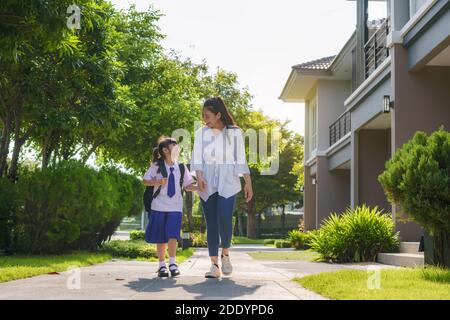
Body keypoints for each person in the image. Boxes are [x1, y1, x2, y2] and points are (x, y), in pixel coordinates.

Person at [191, 97, 253, 279]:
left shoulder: (234, 133)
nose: (204, 119)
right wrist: (200, 177)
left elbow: (241, 159)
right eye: (203, 115)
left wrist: (248, 183)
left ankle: (225, 253)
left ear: (218, 115)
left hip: (228, 182)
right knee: (211, 224)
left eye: (207, 115)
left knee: (225, 219)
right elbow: (197, 158)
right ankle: (214, 265)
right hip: (207, 184)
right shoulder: (201, 133)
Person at [143, 137, 198, 278]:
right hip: (159, 206)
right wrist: (158, 181)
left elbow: (187, 186)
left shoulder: (181, 167)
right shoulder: (157, 166)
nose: (177, 148)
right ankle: (162, 265)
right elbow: (145, 180)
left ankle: (173, 263)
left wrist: (199, 187)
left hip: (175, 207)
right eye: (174, 146)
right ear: (165, 150)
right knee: (160, 238)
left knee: (173, 235)